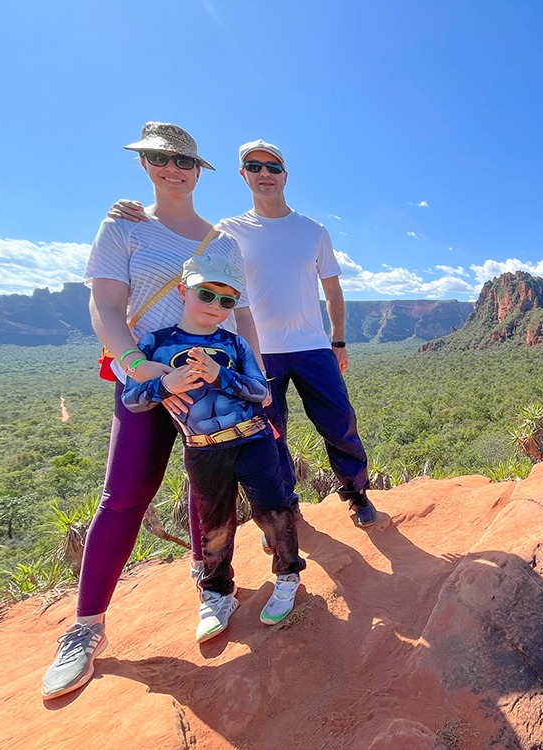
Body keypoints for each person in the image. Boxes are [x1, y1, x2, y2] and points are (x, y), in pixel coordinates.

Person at [41, 122, 262, 699]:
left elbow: (241, 316)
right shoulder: (123, 224)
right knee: (124, 495)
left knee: (208, 486)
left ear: (198, 170)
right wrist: (147, 372)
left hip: (214, 381)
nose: (173, 168)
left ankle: (213, 588)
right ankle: (86, 628)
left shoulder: (222, 240)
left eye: (183, 161)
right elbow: (107, 307)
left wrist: (254, 381)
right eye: (160, 158)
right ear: (145, 164)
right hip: (147, 376)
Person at [110, 139, 378, 536]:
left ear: (285, 174)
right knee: (271, 433)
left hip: (312, 345)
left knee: (340, 423)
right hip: (255, 352)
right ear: (243, 175)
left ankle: (356, 492)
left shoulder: (313, 230)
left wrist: (338, 341)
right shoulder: (226, 232)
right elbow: (179, 241)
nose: (264, 174)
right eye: (254, 167)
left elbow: (333, 290)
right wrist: (129, 214)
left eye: (272, 167)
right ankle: (286, 509)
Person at [122, 254, 306, 642]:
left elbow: (262, 392)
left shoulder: (234, 344)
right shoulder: (155, 344)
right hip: (203, 448)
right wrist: (164, 386)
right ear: (182, 292)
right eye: (206, 294)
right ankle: (218, 593)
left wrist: (219, 375)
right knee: (214, 525)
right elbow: (133, 399)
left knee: (272, 511)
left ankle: (287, 576)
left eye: (226, 301)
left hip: (253, 439)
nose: (215, 307)